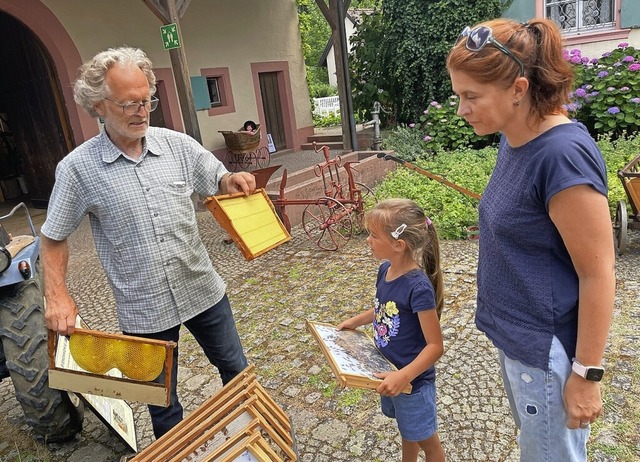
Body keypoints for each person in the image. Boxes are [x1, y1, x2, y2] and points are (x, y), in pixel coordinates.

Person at [40, 46, 256, 439]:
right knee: (162, 402)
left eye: (147, 101)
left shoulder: (177, 145)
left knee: (236, 370)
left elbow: (217, 175)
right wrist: (57, 296)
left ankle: (256, 440)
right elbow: (53, 236)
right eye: (129, 104)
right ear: (99, 106)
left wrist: (230, 182)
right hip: (144, 307)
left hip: (202, 288)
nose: (142, 111)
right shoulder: (76, 169)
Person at [447, 18, 615, 461]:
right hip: (520, 342)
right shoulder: (515, 137)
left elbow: (599, 272)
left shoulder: (562, 157)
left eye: (471, 96)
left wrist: (586, 374)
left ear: (519, 89)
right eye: (457, 94)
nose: (461, 109)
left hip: (547, 350)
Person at [337, 199, 445, 462]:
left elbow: (435, 347)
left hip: (412, 384)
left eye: (373, 235)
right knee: (408, 432)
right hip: (388, 372)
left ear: (398, 245)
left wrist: (403, 377)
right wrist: (358, 320)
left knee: (428, 443)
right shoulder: (385, 269)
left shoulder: (418, 287)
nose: (368, 241)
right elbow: (387, 308)